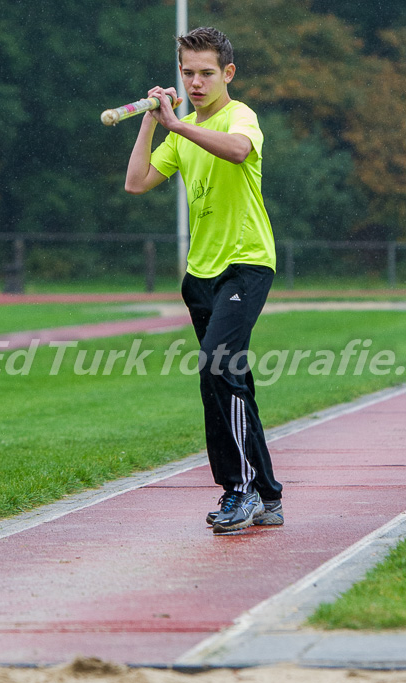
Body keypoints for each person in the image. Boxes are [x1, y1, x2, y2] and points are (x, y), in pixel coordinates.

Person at [125, 26, 283, 534]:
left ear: (227, 74)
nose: (195, 83)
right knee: (229, 382)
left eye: (206, 74)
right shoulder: (180, 131)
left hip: (246, 263)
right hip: (201, 276)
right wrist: (152, 123)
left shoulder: (240, 117)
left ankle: (238, 491)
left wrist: (181, 125)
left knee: (216, 369)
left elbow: (237, 150)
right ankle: (268, 496)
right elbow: (137, 182)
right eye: (187, 73)